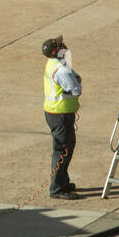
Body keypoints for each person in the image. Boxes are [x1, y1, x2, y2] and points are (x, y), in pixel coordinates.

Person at [41, 35, 81, 200]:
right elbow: (76, 89)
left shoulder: (55, 64)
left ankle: (63, 182)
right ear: (56, 51)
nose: (65, 45)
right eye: (61, 45)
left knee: (67, 148)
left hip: (56, 113)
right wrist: (77, 82)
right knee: (62, 151)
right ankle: (57, 189)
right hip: (60, 115)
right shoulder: (62, 70)